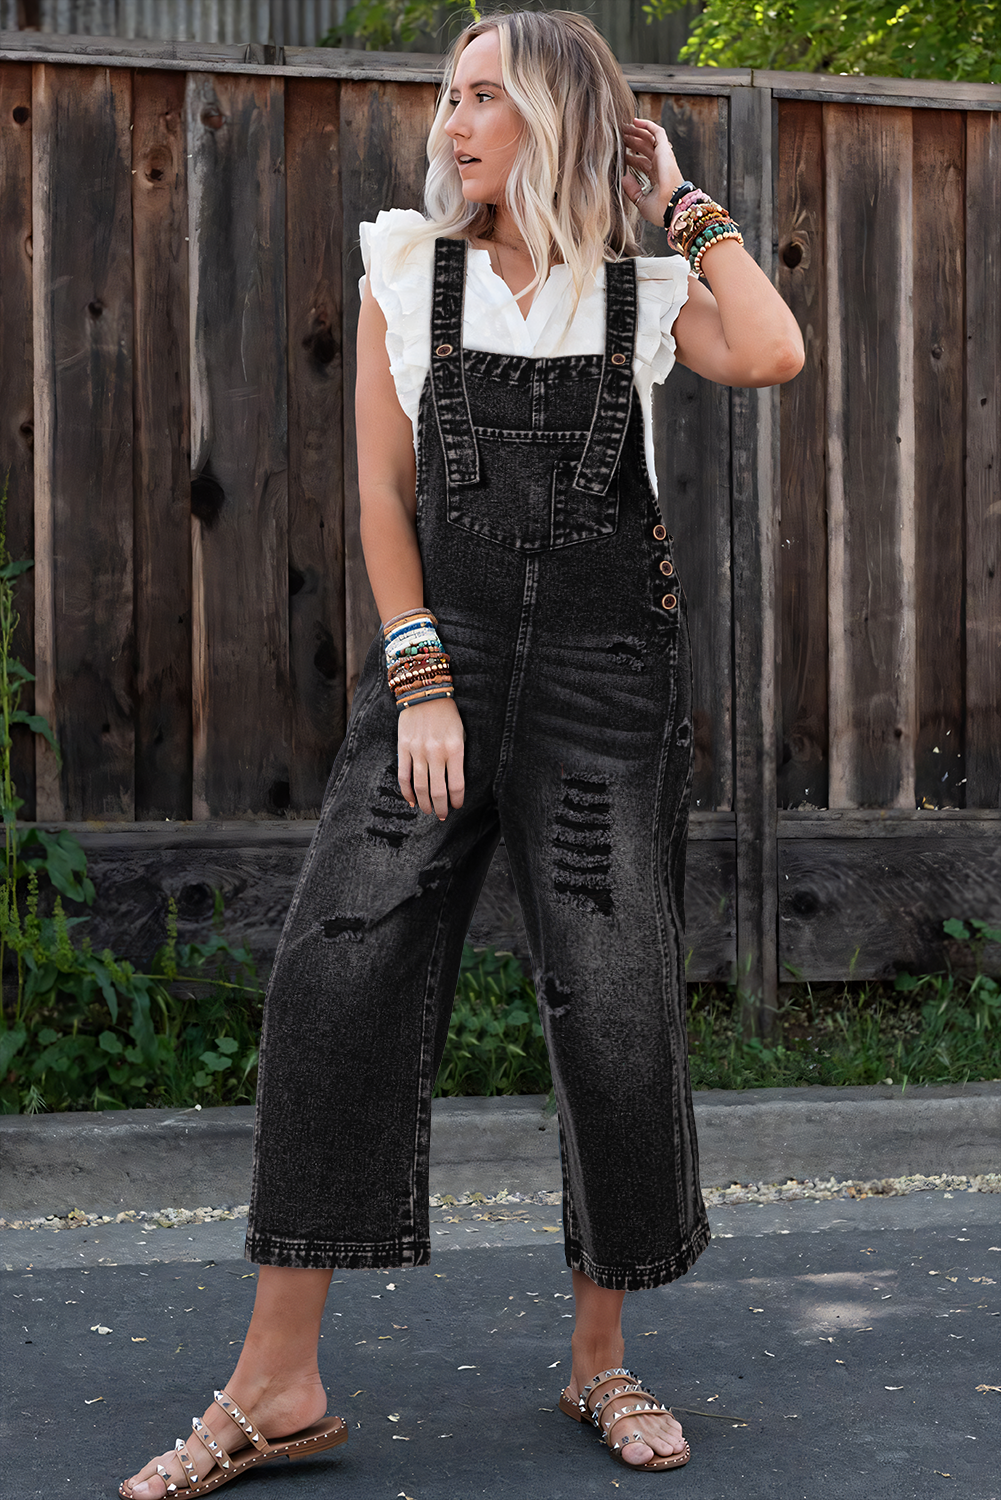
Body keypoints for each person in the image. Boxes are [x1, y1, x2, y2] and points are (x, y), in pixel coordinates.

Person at [120, 10, 803, 1493]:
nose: (452, 120)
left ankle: (601, 1362)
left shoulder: (639, 289)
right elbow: (380, 496)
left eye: (485, 95)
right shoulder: (407, 273)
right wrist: (420, 678)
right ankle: (278, 1381)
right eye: (447, 95)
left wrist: (678, 194)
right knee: (334, 973)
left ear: (555, 117)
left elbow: (773, 347)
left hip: (605, 683)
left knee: (612, 1004)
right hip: (445, 668)